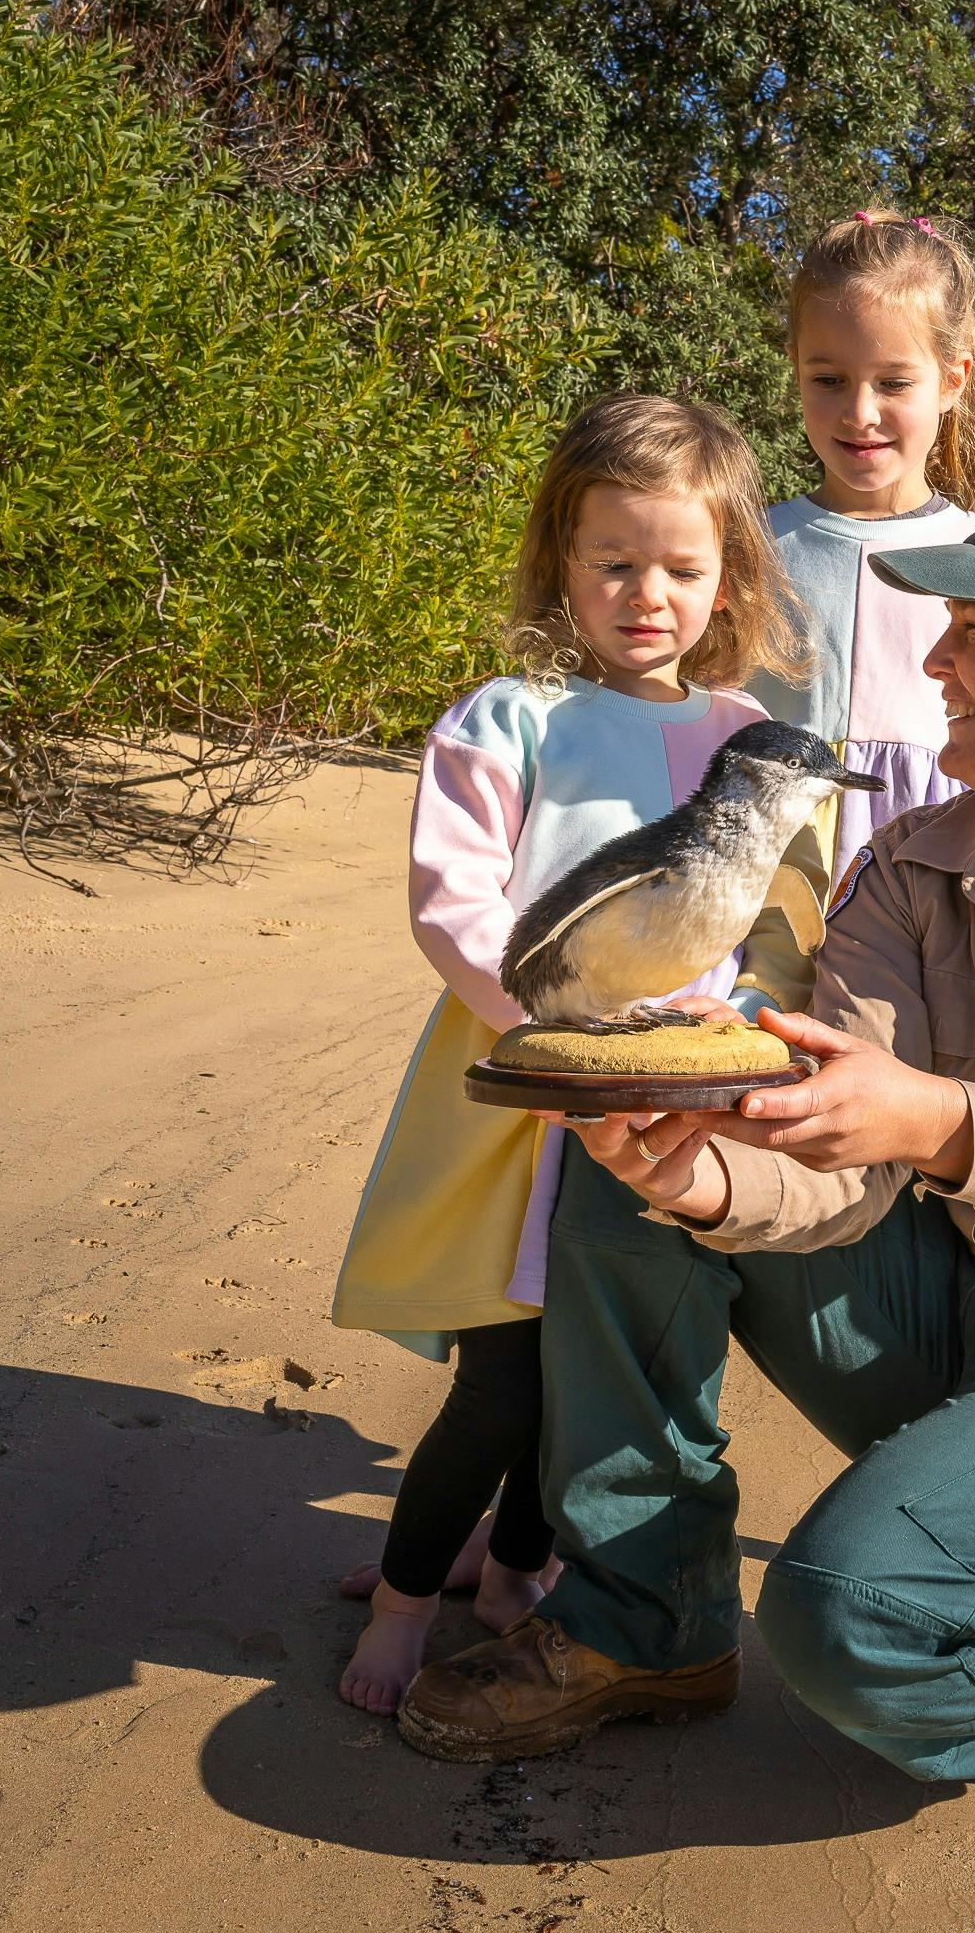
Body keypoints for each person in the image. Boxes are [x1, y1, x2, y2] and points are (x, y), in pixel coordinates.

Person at [396, 493, 975, 1794]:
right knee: (631, 1205)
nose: (934, 662)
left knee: (844, 1621)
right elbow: (841, 1160)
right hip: (969, 1304)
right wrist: (711, 1173)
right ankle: (643, 1621)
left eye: (971, 632)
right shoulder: (904, 869)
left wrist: (932, 1117)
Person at [326, 394, 813, 1714]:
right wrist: (557, 1035)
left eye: (681, 567)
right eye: (614, 562)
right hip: (515, 1086)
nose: (645, 593)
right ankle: (403, 1599)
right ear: (562, 561)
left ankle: (514, 1572)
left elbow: (753, 920)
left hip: (658, 1101)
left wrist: (723, 1031)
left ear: (729, 581)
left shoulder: (733, 736)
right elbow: (456, 906)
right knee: (499, 1384)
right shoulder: (510, 719)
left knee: (586, 1382)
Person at [755, 208, 975, 869]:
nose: (859, 412)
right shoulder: (743, 548)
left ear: (953, 379)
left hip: (933, 887)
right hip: (765, 896)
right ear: (795, 370)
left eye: (893, 382)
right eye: (828, 379)